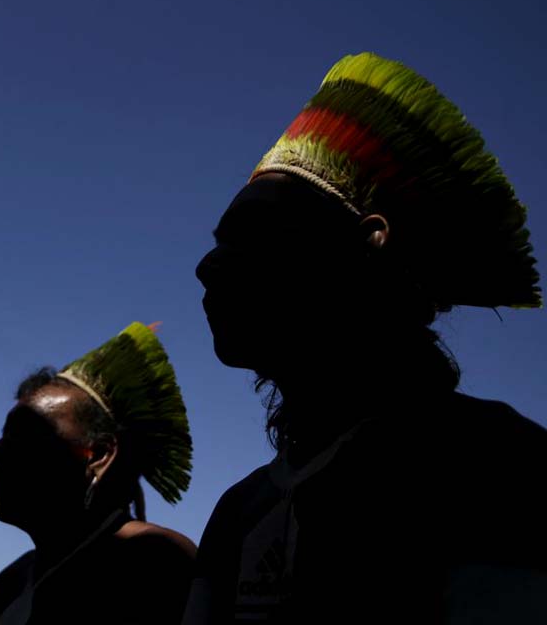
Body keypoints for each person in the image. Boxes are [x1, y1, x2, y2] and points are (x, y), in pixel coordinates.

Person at [187, 52, 547, 623]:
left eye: (252, 235)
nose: (207, 267)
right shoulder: (240, 509)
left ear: (365, 244)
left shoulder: (494, 465)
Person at [0, 322, 196, 625]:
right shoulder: (11, 583)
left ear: (99, 454)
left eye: (27, 434)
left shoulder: (152, 562)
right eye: (4, 435)